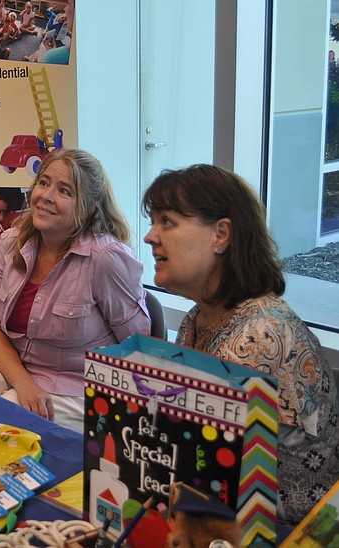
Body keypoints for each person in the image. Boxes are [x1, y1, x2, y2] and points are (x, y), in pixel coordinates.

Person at [142, 164, 339, 524]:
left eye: (166, 221)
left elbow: (206, 466)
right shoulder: (198, 317)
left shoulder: (260, 336)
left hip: (287, 531)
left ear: (221, 235)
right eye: (153, 221)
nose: (151, 236)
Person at [0, 149, 150, 433]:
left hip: (77, 386)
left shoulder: (106, 257)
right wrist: (24, 384)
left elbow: (137, 347)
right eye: (44, 183)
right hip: (14, 369)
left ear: (90, 208)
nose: (46, 196)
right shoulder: (11, 241)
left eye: (64, 190)